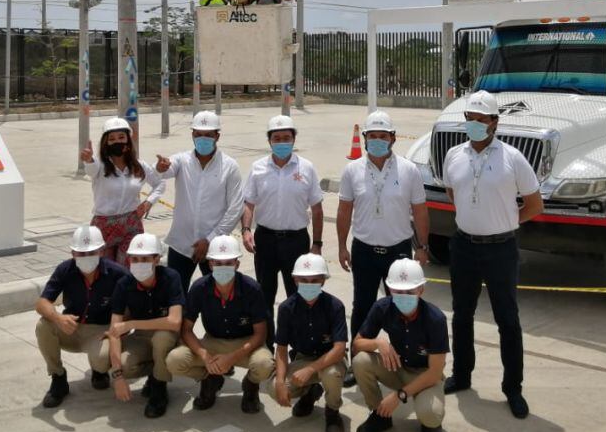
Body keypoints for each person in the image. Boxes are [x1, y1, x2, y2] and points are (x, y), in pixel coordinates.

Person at [442, 90, 543, 419]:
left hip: (501, 248)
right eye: (469, 120)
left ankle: (513, 388)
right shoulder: (454, 155)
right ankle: (462, 375)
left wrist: (508, 221)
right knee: (462, 314)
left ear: (494, 122)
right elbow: (451, 192)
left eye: (481, 120)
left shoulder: (512, 158)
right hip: (464, 246)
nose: (473, 125)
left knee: (507, 321)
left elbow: (534, 204)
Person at [336, 109, 430, 387]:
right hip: (364, 250)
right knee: (362, 306)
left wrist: (422, 246)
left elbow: (421, 211)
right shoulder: (352, 170)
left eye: (383, 136)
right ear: (365, 139)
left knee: (405, 310)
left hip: (398, 251)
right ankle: (358, 361)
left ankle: (407, 360)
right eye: (372, 136)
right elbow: (343, 211)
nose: (378, 140)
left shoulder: (409, 170)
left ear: (393, 138)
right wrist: (342, 246)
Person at [165, 235, 274, 413]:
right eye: (218, 263)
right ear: (210, 264)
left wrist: (232, 357)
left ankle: (251, 385)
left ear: (237, 264)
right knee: (174, 361)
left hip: (245, 343)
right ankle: (210, 377)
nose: (223, 267)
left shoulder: (251, 288)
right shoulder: (200, 287)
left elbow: (260, 334)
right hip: (213, 342)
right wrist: (205, 356)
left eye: (228, 263)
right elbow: (186, 330)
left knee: (265, 365)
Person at [241, 115, 324, 348]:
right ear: (269, 141)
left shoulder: (306, 168)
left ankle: (298, 348)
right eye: (276, 138)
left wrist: (317, 244)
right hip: (265, 240)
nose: (281, 142)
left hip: (296, 241)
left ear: (294, 139)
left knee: (298, 297)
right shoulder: (258, 168)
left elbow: (317, 209)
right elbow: (248, 203)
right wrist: (246, 229)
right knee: (264, 297)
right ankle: (266, 348)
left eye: (286, 138)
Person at [352, 258, 448, 432]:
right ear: (389, 290)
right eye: (397, 291)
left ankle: (427, 414)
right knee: (361, 361)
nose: (403, 296)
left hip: (424, 375)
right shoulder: (383, 307)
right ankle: (380, 415)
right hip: (396, 367)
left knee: (431, 416)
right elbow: (357, 344)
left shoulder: (435, 319)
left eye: (409, 291)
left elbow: (435, 372)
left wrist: (399, 396)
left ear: (421, 290)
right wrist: (378, 343)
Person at [35, 225, 128, 408]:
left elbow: (131, 308)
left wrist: (117, 332)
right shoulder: (65, 270)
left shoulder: (118, 273)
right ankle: (58, 378)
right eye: (80, 253)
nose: (86, 258)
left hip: (101, 331)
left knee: (101, 360)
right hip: (71, 327)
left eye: (92, 252)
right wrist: (58, 318)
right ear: (72, 253)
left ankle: (99, 370)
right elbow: (42, 303)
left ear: (102, 251)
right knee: (43, 326)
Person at [155, 111, 244, 293]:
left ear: (217, 136)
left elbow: (235, 208)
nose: (203, 139)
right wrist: (160, 167)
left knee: (216, 298)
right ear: (192, 135)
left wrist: (211, 239)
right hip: (181, 244)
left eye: (208, 135)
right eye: (198, 134)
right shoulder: (182, 160)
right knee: (175, 298)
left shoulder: (229, 166)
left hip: (215, 249)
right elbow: (166, 169)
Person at [105, 233, 184, 419]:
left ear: (157, 259)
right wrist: (117, 376)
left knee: (161, 338)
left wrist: (132, 323)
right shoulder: (124, 284)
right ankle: (154, 372)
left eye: (145, 259)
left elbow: (174, 321)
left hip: (168, 335)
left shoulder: (171, 278)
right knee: (123, 365)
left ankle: (159, 387)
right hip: (141, 337)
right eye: (135, 259)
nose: (138, 263)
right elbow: (114, 330)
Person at [269, 253, 347, 432]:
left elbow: (339, 349)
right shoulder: (286, 308)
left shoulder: (335, 306)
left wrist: (310, 369)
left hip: (330, 359)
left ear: (323, 281)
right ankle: (310, 392)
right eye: (303, 279)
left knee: (332, 374)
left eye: (314, 280)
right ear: (295, 280)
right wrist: (280, 382)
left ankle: (332, 411)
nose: (309, 284)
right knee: (273, 388)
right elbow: (281, 349)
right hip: (303, 357)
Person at [82, 117, 166, 264]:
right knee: (105, 272)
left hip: (131, 224)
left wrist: (148, 203)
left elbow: (159, 184)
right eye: (112, 139)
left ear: (128, 139)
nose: (117, 142)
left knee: (129, 270)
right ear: (106, 143)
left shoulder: (139, 166)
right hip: (103, 225)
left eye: (121, 137)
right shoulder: (99, 166)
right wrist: (88, 160)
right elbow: (90, 169)